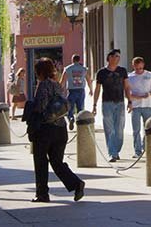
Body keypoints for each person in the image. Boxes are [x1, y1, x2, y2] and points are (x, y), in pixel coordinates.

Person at [30, 58, 85, 203]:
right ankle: (76, 183)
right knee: (57, 161)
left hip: (45, 129)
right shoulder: (57, 85)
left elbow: (40, 107)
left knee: (40, 161)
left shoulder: (43, 85)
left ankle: (42, 193)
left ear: (39, 72)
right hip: (61, 128)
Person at [92, 49, 131, 162]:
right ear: (109, 57)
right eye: (115, 56)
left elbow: (127, 87)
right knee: (109, 129)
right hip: (107, 103)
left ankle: (116, 150)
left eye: (119, 56)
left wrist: (130, 101)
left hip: (120, 102)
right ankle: (112, 153)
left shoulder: (122, 71)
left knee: (119, 129)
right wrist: (94, 105)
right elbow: (98, 89)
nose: (117, 59)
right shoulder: (101, 72)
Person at [127, 57, 151, 159]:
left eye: (140, 68)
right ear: (133, 66)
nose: (138, 70)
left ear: (143, 65)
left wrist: (150, 93)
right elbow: (128, 93)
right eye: (136, 68)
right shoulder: (130, 77)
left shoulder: (150, 75)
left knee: (148, 128)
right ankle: (137, 151)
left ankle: (146, 147)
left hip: (147, 106)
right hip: (135, 107)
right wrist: (138, 97)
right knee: (136, 129)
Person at [62, 55, 91, 131]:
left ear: (72, 60)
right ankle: (80, 124)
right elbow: (88, 79)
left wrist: (60, 89)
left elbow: (63, 80)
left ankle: (71, 118)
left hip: (72, 90)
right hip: (81, 90)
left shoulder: (68, 69)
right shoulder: (84, 69)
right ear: (79, 60)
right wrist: (91, 89)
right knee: (80, 108)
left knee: (69, 107)